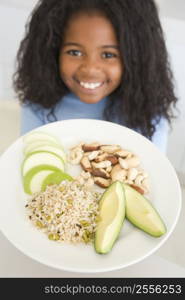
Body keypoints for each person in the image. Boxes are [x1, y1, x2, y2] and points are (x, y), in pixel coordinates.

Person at [13, 0, 178, 153]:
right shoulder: (38, 106)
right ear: (52, 52)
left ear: (136, 59)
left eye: (108, 55)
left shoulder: (148, 113)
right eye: (74, 52)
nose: (90, 69)